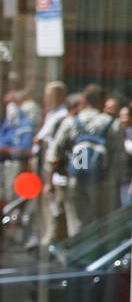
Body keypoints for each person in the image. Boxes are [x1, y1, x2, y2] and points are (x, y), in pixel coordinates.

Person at [49, 84, 125, 235]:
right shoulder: (112, 124)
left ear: (84, 100)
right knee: (103, 226)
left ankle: (79, 256)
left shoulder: (71, 122)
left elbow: (53, 155)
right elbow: (119, 158)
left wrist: (52, 181)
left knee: (77, 226)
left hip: (77, 179)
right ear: (103, 102)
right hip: (104, 181)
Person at [32, 81, 70, 246]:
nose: (47, 99)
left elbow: (51, 147)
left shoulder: (62, 117)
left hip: (54, 171)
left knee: (54, 209)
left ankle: (51, 242)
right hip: (46, 168)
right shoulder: (51, 115)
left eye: (51, 96)